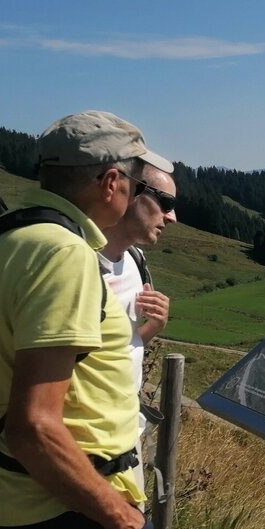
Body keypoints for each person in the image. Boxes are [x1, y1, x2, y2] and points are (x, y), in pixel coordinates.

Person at [0, 111, 173, 529]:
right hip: (66, 510)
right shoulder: (66, 253)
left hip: (17, 501)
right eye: (137, 184)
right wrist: (120, 519)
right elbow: (34, 425)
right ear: (110, 182)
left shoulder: (4, 236)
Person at [99, 164, 178, 496]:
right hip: (90, 447)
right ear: (129, 192)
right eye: (165, 202)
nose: (172, 217)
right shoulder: (77, 266)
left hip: (128, 436)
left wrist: (152, 327)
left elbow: (120, 348)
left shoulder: (135, 261)